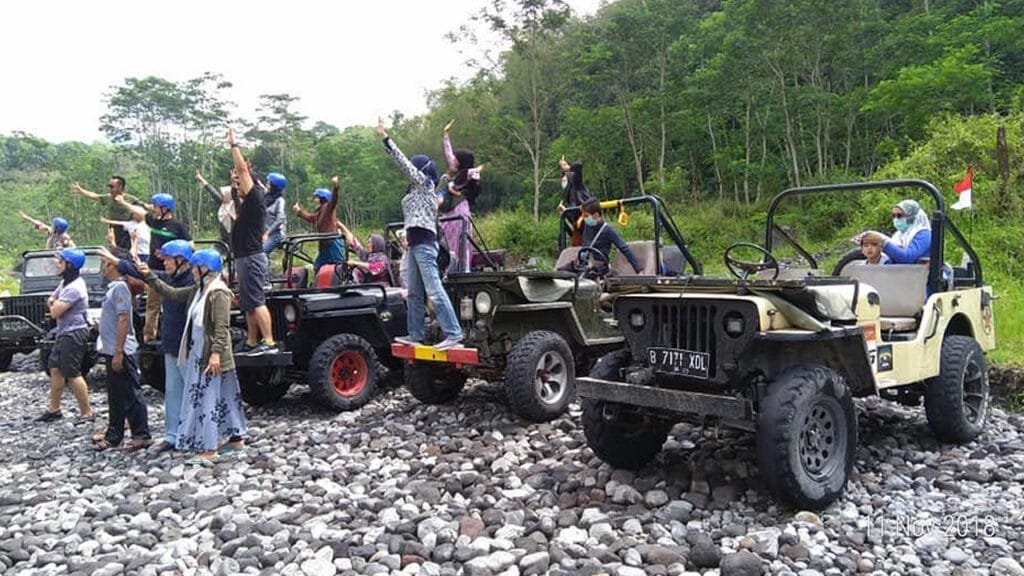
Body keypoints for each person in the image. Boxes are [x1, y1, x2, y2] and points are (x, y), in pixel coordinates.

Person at [140, 249, 245, 464]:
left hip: (210, 355)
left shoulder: (218, 293)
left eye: (196, 268)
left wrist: (215, 354)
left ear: (204, 269)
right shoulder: (199, 290)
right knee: (226, 396)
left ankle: (209, 448)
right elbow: (171, 293)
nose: (193, 272)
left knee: (207, 399)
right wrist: (149, 276)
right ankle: (236, 438)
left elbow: (221, 327)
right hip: (200, 351)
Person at [99, 239, 194, 454]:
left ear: (181, 260)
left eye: (168, 260)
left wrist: (122, 263)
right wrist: (123, 262)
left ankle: (194, 433)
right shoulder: (170, 276)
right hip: (171, 343)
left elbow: (167, 290)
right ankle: (172, 435)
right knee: (172, 391)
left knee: (192, 389)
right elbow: (145, 275)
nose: (165, 264)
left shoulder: (192, 280)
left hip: (188, 344)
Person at [378, 117, 463, 350]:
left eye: (415, 168)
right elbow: (414, 214)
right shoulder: (419, 190)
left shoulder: (424, 184)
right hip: (414, 244)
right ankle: (415, 334)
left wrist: (386, 139)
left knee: (434, 290)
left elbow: (403, 163)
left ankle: (454, 333)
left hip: (425, 244)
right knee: (414, 293)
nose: (411, 170)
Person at [92, 256, 150, 451]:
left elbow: (124, 319)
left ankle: (141, 433)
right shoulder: (114, 288)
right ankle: (114, 433)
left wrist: (118, 351)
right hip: (111, 348)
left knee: (130, 392)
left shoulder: (120, 288)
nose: (103, 268)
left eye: (105, 264)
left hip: (122, 349)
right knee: (115, 394)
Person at [227, 129, 277, 355]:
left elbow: (242, 170)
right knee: (248, 304)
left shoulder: (256, 195)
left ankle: (269, 341)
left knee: (257, 302)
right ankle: (252, 341)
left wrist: (233, 145)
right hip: (244, 258)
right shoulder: (247, 201)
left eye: (239, 182)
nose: (237, 185)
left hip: (252, 257)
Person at [117, 192, 191, 343]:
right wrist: (123, 202)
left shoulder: (178, 226)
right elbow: (140, 212)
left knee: (172, 303)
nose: (154, 209)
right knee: (152, 305)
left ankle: (178, 333)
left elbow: (190, 246)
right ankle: (149, 336)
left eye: (157, 206)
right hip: (154, 269)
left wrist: (172, 254)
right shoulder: (154, 221)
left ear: (165, 208)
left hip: (171, 272)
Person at [37, 248, 95, 422]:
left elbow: (54, 311)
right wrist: (54, 303)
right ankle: (54, 409)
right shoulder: (65, 283)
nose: (57, 264)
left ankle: (87, 412)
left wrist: (54, 304)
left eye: (60, 262)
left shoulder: (75, 287)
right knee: (55, 368)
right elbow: (51, 300)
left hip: (74, 332)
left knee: (72, 373)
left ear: (69, 265)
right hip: (64, 332)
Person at [438, 119, 484, 273]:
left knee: (460, 241)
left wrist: (477, 170)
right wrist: (445, 134)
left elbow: (476, 172)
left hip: (459, 209)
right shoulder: (457, 171)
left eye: (457, 158)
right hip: (451, 209)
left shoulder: (467, 173)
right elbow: (449, 153)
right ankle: (447, 268)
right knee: (445, 237)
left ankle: (462, 270)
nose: (454, 160)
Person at [559, 199, 642, 276]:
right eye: (583, 216)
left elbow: (624, 248)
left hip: (599, 267)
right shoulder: (587, 226)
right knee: (561, 271)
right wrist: (565, 212)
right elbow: (575, 228)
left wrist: (639, 270)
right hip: (583, 263)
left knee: (589, 275)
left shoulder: (608, 230)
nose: (584, 219)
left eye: (586, 216)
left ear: (596, 215)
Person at [291, 179, 348, 272]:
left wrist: (336, 187)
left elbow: (334, 201)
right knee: (318, 266)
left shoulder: (328, 208)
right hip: (324, 244)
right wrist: (299, 211)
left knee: (339, 266)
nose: (315, 200)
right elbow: (310, 218)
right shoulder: (320, 212)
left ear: (322, 198)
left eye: (316, 198)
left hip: (332, 243)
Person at [70, 176, 141, 250]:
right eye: (109, 187)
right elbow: (95, 196)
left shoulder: (131, 199)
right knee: (114, 251)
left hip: (127, 232)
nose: (109, 189)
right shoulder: (108, 198)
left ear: (120, 187)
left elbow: (143, 211)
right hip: (113, 231)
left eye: (112, 187)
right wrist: (81, 191)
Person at [862, 199, 932, 264]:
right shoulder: (898, 235)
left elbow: (907, 258)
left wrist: (883, 242)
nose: (896, 219)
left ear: (912, 217)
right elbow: (891, 260)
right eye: (893, 216)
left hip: (923, 275)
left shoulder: (924, 234)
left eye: (899, 215)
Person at [557, 157, 593, 246]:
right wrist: (564, 211)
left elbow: (578, 165)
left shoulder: (577, 183)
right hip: (579, 226)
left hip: (588, 218)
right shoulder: (567, 197)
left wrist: (567, 168)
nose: (563, 178)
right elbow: (572, 219)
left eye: (565, 165)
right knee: (574, 244)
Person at [196, 169, 237, 244]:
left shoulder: (235, 205)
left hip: (236, 237)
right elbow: (212, 191)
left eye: (223, 194)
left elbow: (235, 192)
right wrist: (201, 179)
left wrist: (234, 181)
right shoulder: (223, 204)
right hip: (224, 237)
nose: (221, 195)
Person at [263, 172, 288, 255]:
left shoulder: (279, 201)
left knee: (262, 252)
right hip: (264, 232)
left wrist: (268, 233)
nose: (267, 185)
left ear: (274, 187)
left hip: (275, 234)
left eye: (269, 184)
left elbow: (280, 218)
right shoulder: (266, 197)